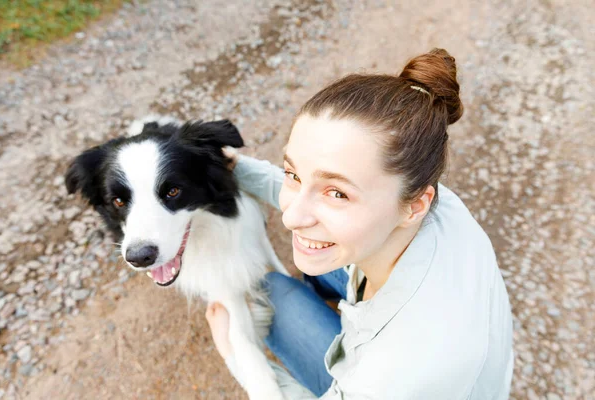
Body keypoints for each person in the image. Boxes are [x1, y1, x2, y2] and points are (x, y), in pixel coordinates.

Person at [205, 48, 514, 399]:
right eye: (294, 173)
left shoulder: (396, 374)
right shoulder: (428, 200)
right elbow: (314, 189)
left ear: (415, 205)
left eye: (337, 193)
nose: (291, 218)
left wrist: (238, 357)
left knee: (267, 297)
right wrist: (235, 167)